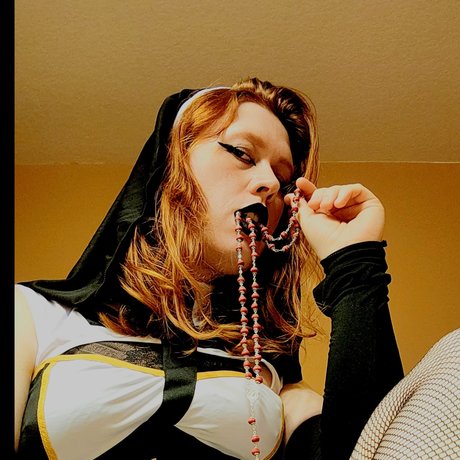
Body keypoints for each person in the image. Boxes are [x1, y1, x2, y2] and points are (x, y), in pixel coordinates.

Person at [15, 77, 405, 459]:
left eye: (283, 178)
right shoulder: (33, 315)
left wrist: (353, 260)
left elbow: (375, 449)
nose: (269, 183)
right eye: (242, 153)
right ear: (172, 163)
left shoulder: (276, 382)